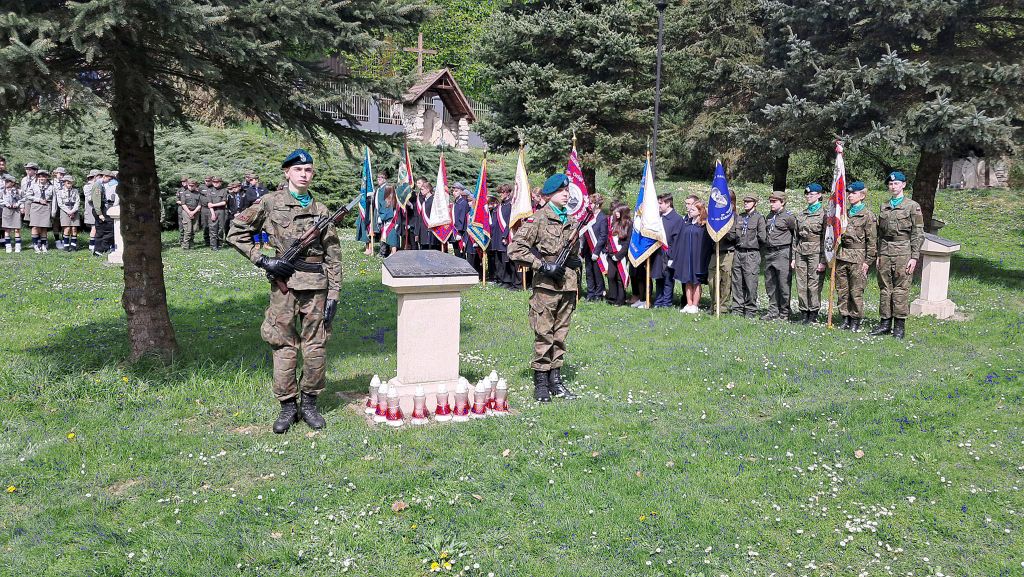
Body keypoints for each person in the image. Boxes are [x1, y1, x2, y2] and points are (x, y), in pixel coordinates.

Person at [226, 149, 341, 433]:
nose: (304, 175)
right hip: (284, 288)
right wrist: (263, 260)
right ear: (287, 173)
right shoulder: (268, 203)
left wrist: (334, 294)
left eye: (309, 170)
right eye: (299, 170)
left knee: (315, 347)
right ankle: (288, 406)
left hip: (316, 289)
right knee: (283, 345)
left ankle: (310, 403)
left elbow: (334, 256)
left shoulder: (322, 211)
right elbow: (235, 233)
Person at [508, 173, 581, 402]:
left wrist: (574, 261)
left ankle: (555, 381)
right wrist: (542, 265)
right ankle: (540, 382)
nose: (566, 194)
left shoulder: (572, 220)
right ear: (549, 195)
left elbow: (572, 252)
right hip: (546, 287)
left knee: (560, 335)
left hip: (568, 285)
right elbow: (515, 248)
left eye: (567, 190)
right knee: (544, 334)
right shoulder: (538, 218)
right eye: (561, 191)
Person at [871, 171, 924, 339]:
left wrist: (914, 257)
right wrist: (878, 254)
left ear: (903, 185)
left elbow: (918, 233)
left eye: (896, 184)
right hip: (885, 249)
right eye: (890, 184)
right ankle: (885, 323)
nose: (893, 186)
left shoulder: (912, 206)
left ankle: (899, 326)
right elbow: (879, 233)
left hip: (903, 250)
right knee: (885, 288)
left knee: (901, 288)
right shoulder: (884, 206)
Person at [835, 181, 876, 332]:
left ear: (862, 195)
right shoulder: (844, 214)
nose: (850, 196)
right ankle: (844, 317)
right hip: (842, 255)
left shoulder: (867, 215)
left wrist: (868, 261)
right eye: (849, 193)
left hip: (858, 257)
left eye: (854, 193)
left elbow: (872, 240)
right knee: (842, 290)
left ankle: (855, 319)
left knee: (856, 291)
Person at [793, 183, 827, 323]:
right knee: (801, 283)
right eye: (807, 194)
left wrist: (824, 260)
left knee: (813, 284)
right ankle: (804, 312)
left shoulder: (824, 215)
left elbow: (827, 239)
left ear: (819, 195)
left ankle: (813, 313)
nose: (808, 196)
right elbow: (795, 237)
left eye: (811, 194)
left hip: (816, 252)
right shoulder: (802, 214)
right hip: (801, 251)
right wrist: (794, 256)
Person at [762, 191, 797, 320]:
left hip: (783, 252)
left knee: (783, 284)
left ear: (782, 202)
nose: (771, 204)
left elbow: (795, 236)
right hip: (770, 252)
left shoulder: (789, 217)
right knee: (770, 283)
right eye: (770, 201)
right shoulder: (769, 216)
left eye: (774, 201)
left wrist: (793, 256)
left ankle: (785, 312)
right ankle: (773, 311)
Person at [730, 193, 766, 317]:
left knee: (751, 283)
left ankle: (750, 310)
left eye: (749, 201)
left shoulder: (759, 218)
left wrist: (753, 246)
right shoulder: (740, 217)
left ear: (755, 203)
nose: (746, 203)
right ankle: (737, 309)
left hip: (751, 254)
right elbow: (733, 234)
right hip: (738, 253)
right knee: (737, 282)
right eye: (745, 201)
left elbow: (763, 237)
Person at [674, 199, 712, 313]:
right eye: (690, 209)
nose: (690, 211)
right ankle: (688, 303)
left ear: (700, 211)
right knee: (687, 281)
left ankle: (695, 305)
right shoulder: (687, 224)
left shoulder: (704, 226)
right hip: (687, 257)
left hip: (697, 258)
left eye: (693, 209)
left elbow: (706, 245)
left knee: (696, 282)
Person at [652, 193, 684, 308]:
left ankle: (666, 303)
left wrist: (672, 257)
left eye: (660, 203)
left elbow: (677, 240)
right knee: (658, 278)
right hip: (658, 253)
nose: (658, 206)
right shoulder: (658, 217)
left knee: (668, 280)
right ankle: (658, 301)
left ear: (668, 203)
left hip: (669, 253)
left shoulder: (677, 219)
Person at [581, 194, 607, 302]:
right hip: (588, 249)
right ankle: (590, 293)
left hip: (597, 251)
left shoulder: (603, 217)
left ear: (597, 204)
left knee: (597, 273)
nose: (589, 205)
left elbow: (603, 236)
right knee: (589, 272)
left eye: (591, 203)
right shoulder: (589, 216)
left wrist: (596, 252)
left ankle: (599, 294)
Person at [605, 205, 632, 306]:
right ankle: (613, 296)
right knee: (611, 276)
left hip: (621, 255)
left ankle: (621, 299)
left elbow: (627, 242)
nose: (616, 214)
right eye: (615, 211)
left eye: (618, 212)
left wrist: (619, 255)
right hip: (612, 254)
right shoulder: (614, 223)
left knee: (620, 277)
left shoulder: (629, 224)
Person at [27, 169, 54, 252]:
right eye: (40, 176)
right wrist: (38, 199)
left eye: (44, 176)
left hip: (46, 207)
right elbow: (28, 195)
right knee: (35, 226)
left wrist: (53, 210)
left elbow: (54, 199)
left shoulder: (51, 187)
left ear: (47, 177)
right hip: (36, 206)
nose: (42, 178)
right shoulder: (33, 185)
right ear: (37, 177)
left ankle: (43, 245)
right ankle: (35, 245)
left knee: (44, 227)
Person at [55, 175, 81, 251]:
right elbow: (60, 203)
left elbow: (77, 202)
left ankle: (73, 246)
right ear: (64, 183)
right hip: (65, 211)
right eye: (68, 182)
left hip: (74, 210)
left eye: (71, 182)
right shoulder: (60, 191)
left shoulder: (75, 191)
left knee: (74, 228)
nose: (69, 184)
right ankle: (66, 246)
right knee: (67, 228)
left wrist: (73, 211)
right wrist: (68, 211)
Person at [203, 177, 228, 250]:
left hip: (221, 211)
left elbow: (224, 202)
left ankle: (219, 244)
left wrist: (213, 205)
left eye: (217, 182)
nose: (215, 183)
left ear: (220, 182)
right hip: (212, 211)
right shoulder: (209, 191)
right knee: (213, 229)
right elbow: (209, 204)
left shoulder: (224, 191)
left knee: (221, 228)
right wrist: (213, 213)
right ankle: (213, 246)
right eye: (214, 182)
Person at [1, 174, 23, 252]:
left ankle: (18, 245)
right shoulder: (2, 191)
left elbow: (23, 199)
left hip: (16, 211)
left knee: (17, 229)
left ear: (13, 183)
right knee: (7, 229)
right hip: (6, 210)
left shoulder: (18, 191)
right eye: (5, 181)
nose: (6, 183)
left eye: (8, 181)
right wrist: (6, 203)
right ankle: (8, 246)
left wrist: (17, 204)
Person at [377, 184, 401, 257]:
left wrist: (380, 217)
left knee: (391, 237)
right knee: (392, 237)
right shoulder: (396, 200)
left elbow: (385, 213)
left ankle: (393, 252)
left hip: (389, 222)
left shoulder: (387, 201)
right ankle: (393, 251)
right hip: (395, 222)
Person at [179, 179, 203, 249]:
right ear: (187, 185)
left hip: (195, 212)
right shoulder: (184, 193)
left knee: (194, 229)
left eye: (192, 186)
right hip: (186, 212)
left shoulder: (198, 194)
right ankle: (185, 245)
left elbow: (199, 204)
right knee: (188, 229)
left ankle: (191, 244)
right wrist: (189, 212)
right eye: (189, 186)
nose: (191, 187)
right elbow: (183, 204)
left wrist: (193, 212)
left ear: (195, 186)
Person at [451, 182, 471, 260]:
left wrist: (459, 232)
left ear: (461, 191)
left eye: (456, 191)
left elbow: (462, 218)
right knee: (456, 252)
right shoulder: (456, 202)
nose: (454, 193)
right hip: (454, 230)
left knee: (460, 252)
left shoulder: (463, 202)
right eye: (453, 191)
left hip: (460, 231)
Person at [82, 169, 99, 253]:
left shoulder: (99, 185)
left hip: (98, 208)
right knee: (94, 227)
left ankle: (97, 244)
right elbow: (89, 198)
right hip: (91, 208)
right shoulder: (88, 186)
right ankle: (92, 246)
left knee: (98, 227)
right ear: (95, 177)